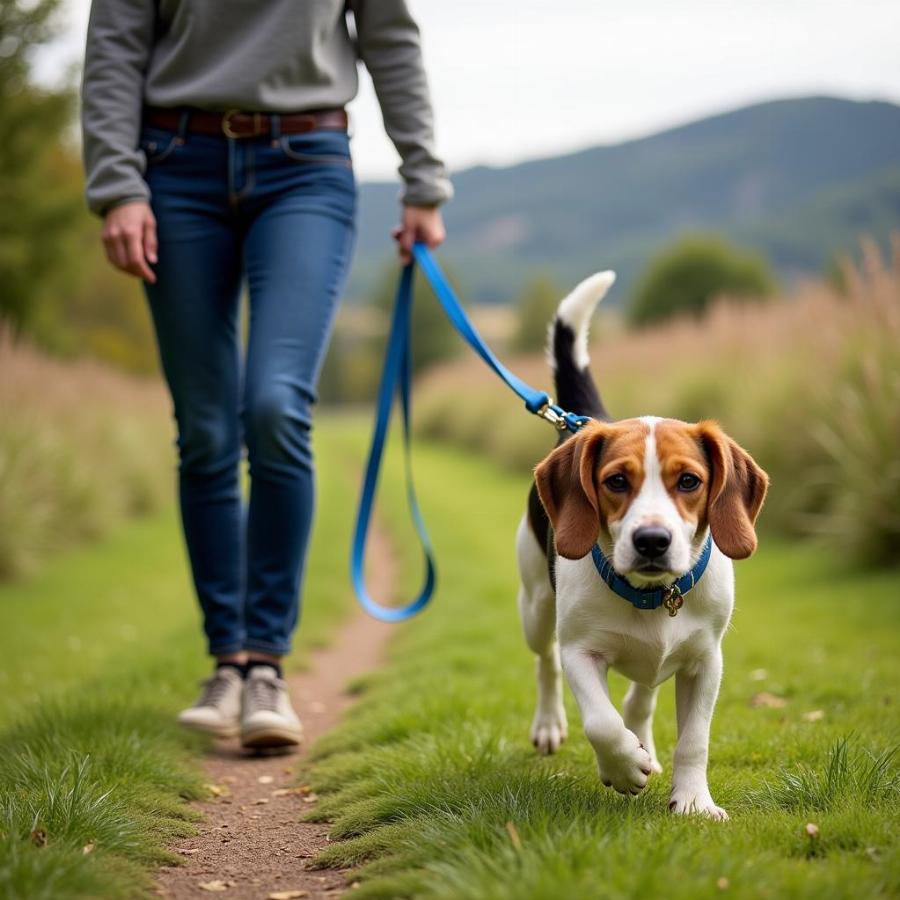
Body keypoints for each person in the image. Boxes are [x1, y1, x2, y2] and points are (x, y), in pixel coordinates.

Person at [81, 0, 450, 749]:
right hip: (173, 164)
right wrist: (118, 184)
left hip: (305, 163)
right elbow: (115, 50)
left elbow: (391, 40)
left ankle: (268, 668)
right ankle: (230, 661)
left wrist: (423, 181)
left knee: (276, 406)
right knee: (208, 429)